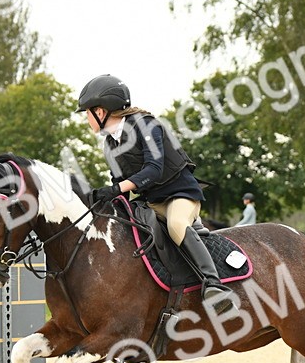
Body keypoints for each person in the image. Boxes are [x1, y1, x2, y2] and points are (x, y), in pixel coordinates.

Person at [77, 74, 236, 312]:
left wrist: (117, 188)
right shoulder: (110, 143)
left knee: (176, 225)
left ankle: (214, 285)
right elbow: (119, 182)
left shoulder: (146, 125)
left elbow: (154, 169)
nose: (87, 119)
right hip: (151, 202)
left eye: (87, 113)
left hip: (181, 195)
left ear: (100, 112)